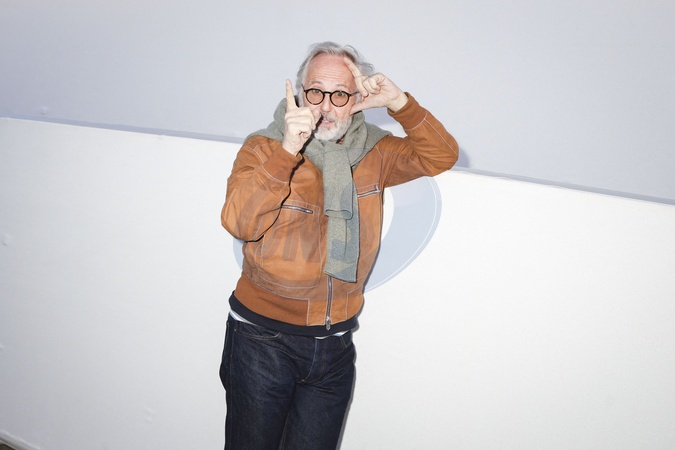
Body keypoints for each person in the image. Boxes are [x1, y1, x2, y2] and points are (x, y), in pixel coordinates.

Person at [219, 41, 458, 450]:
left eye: (340, 94)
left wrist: (399, 103)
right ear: (299, 93)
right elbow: (239, 222)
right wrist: (287, 151)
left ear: (357, 99)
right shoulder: (264, 147)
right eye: (316, 92)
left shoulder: (375, 151)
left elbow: (441, 156)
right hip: (261, 342)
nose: (326, 106)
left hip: (334, 347)